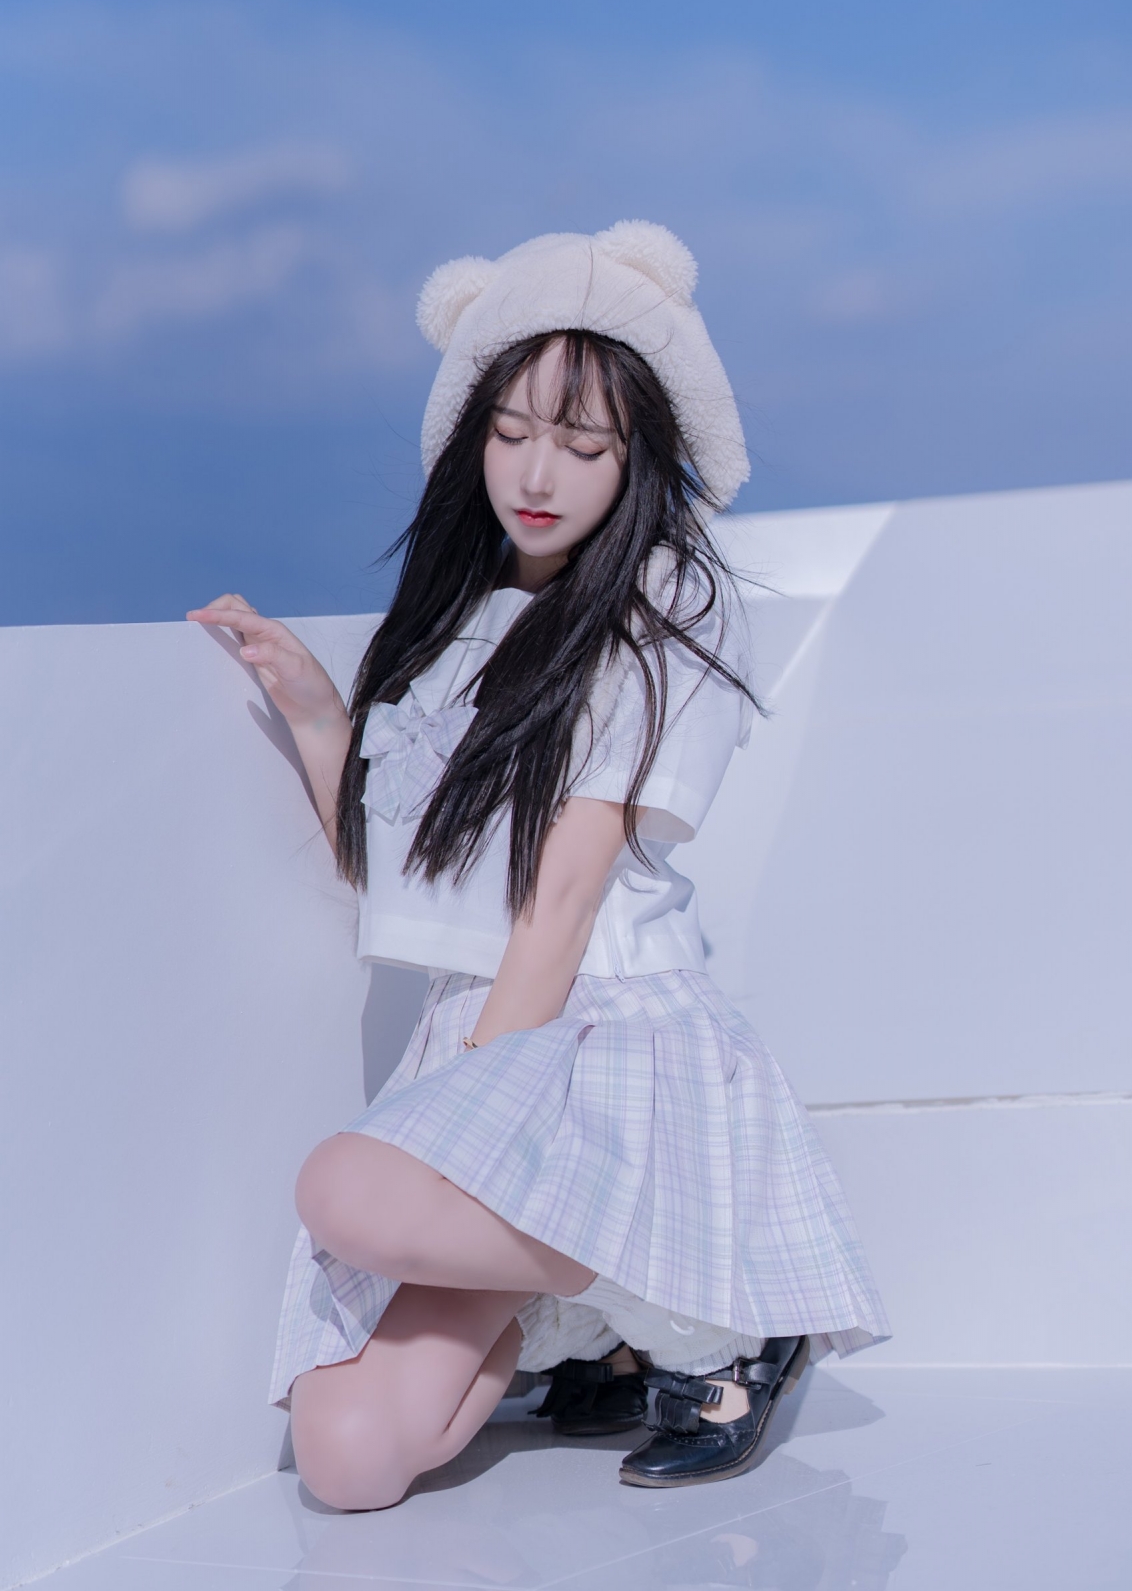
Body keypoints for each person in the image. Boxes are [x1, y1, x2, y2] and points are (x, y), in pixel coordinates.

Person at [189, 221, 887, 1510]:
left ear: (641, 453)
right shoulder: (454, 617)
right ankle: (612, 1328)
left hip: (598, 1037)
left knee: (343, 1186)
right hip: (485, 1030)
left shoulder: (665, 603)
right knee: (346, 1458)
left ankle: (714, 1318)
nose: (539, 473)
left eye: (584, 443)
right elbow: (402, 866)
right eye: (511, 432)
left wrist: (473, 1106)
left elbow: (561, 903)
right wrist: (317, 716)